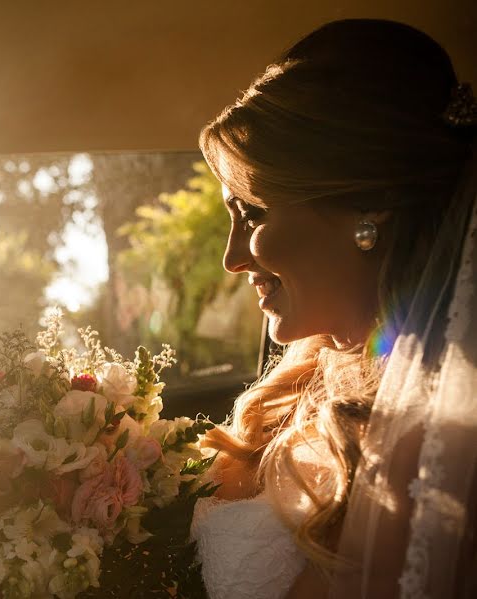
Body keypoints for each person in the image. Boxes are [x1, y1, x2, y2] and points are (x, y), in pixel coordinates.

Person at [190, 19, 476, 599]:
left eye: (253, 213)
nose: (232, 258)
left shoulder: (429, 444)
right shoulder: (305, 374)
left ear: (367, 208)